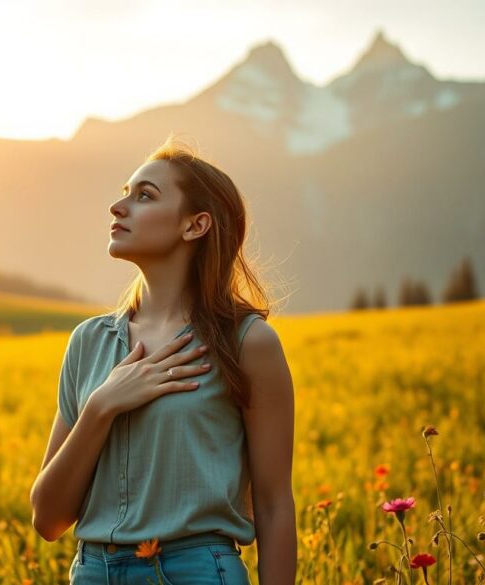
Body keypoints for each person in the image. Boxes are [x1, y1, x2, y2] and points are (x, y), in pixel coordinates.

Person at [30, 135, 296, 584]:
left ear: (195, 226)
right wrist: (101, 406)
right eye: (123, 194)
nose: (118, 208)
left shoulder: (249, 344)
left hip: (196, 572)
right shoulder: (88, 343)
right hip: (92, 573)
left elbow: (273, 506)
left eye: (144, 196)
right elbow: (49, 519)